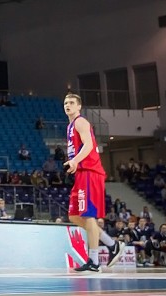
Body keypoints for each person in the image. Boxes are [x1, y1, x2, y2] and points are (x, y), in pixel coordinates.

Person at [63, 93, 124, 272]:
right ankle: (111, 244)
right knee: (74, 215)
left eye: (72, 102)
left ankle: (94, 262)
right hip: (81, 174)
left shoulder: (81, 122)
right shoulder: (70, 125)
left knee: (88, 216)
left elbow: (88, 145)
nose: (68, 105)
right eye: (66, 103)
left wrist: (75, 161)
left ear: (79, 106)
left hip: (90, 172)